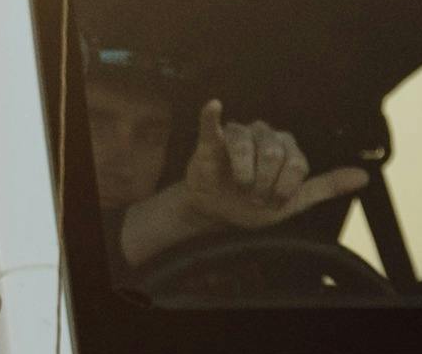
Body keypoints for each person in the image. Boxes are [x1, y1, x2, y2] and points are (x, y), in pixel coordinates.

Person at [82, 66, 369, 276]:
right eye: (93, 128)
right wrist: (183, 213)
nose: (122, 167)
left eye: (151, 137)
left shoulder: (221, 271)